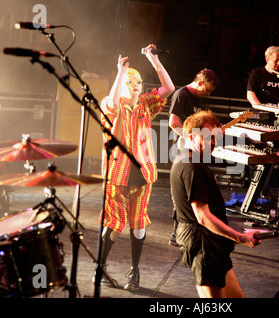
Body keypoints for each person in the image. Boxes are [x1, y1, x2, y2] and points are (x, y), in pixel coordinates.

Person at [95, 44, 175, 290]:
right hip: (117, 176)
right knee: (115, 224)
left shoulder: (145, 105)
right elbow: (112, 100)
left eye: (138, 83)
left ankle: (134, 271)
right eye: (132, 84)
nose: (136, 87)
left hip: (143, 174)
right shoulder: (111, 106)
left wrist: (154, 60)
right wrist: (120, 72)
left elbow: (169, 89)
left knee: (138, 223)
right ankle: (100, 269)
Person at [170, 110, 261, 298]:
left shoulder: (189, 160)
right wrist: (240, 237)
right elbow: (202, 216)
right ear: (192, 136)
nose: (214, 143)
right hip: (203, 246)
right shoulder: (192, 167)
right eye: (209, 138)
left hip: (213, 244)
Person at [168, 69, 220, 246]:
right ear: (200, 82)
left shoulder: (198, 98)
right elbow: (173, 122)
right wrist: (190, 139)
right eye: (208, 89)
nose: (209, 93)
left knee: (194, 190)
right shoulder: (182, 94)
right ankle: (177, 233)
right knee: (183, 192)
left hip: (193, 146)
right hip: (185, 146)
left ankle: (193, 228)